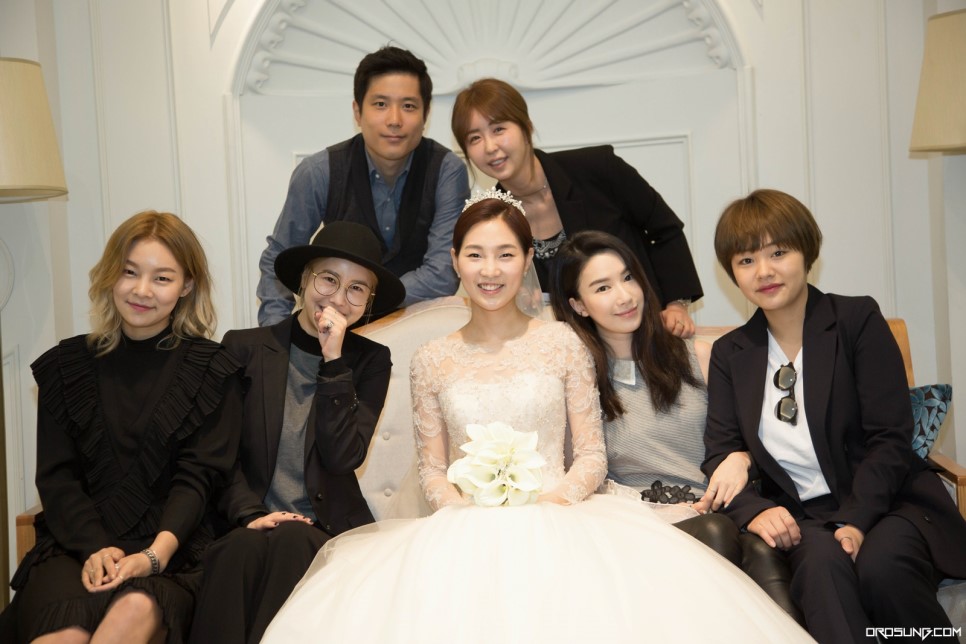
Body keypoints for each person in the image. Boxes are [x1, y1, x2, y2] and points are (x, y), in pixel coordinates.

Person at [260, 190, 812, 643]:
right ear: (455, 261)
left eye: (505, 254)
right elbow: (432, 468)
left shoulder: (562, 343)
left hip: (562, 514)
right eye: (475, 255)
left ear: (527, 261)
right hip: (465, 523)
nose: (490, 270)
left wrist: (547, 507)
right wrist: (462, 511)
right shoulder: (431, 359)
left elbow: (591, 455)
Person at [704, 189, 966, 643]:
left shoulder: (855, 319)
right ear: (733, 274)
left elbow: (890, 436)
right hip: (804, 520)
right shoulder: (731, 353)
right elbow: (719, 454)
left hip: (887, 502)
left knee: (884, 568)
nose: (763, 271)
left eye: (778, 252)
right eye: (746, 260)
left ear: (807, 253)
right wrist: (754, 511)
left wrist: (857, 520)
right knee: (822, 570)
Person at [1, 211, 243, 644]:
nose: (141, 290)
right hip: (77, 547)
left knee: (130, 615)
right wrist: (94, 548)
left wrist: (154, 555)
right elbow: (57, 479)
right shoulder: (66, 366)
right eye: (129, 272)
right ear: (111, 274)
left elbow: (198, 479)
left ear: (187, 286)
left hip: (171, 552)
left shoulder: (213, 369)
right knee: (63, 636)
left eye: (162, 278)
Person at [550, 229, 802, 622]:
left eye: (628, 277)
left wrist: (743, 458)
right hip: (639, 527)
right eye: (602, 288)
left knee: (759, 548)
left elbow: (756, 439)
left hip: (725, 513)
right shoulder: (577, 382)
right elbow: (575, 471)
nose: (624, 296)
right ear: (578, 305)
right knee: (719, 535)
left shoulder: (698, 357)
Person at [189, 222, 404, 644]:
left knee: (292, 541)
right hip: (246, 518)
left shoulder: (372, 361)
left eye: (357, 289)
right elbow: (218, 454)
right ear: (304, 281)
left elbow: (343, 457)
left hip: (325, 526)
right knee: (239, 550)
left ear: (368, 301)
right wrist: (251, 515)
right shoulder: (243, 348)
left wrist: (334, 361)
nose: (338, 298)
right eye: (328, 279)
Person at [451, 77, 702, 337]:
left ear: (526, 126)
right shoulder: (495, 218)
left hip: (640, 329)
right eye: (474, 138)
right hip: (566, 345)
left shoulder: (597, 168)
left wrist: (676, 305)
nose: (490, 147)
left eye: (498, 129)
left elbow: (664, 229)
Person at [257, 45, 469, 325]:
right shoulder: (319, 171)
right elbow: (279, 257)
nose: (394, 120)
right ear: (357, 112)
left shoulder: (447, 170)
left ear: (425, 114)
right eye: (380, 104)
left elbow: (443, 274)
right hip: (338, 327)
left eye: (408, 106)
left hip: (419, 325)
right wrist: (276, 337)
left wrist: (361, 299)